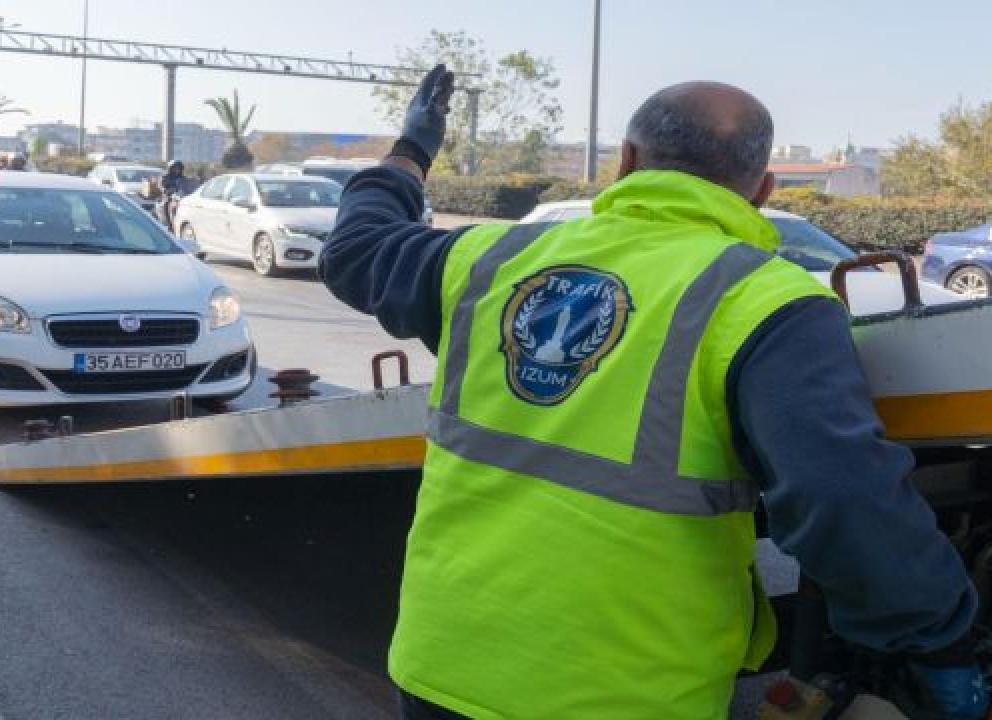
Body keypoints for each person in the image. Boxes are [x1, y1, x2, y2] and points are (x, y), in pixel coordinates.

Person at [320, 65, 987, 719]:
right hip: (630, 694)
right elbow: (843, 499)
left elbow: (357, 248)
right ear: (762, 188)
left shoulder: (487, 261)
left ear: (626, 161)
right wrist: (938, 637)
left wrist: (412, 152)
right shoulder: (770, 303)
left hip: (443, 666)